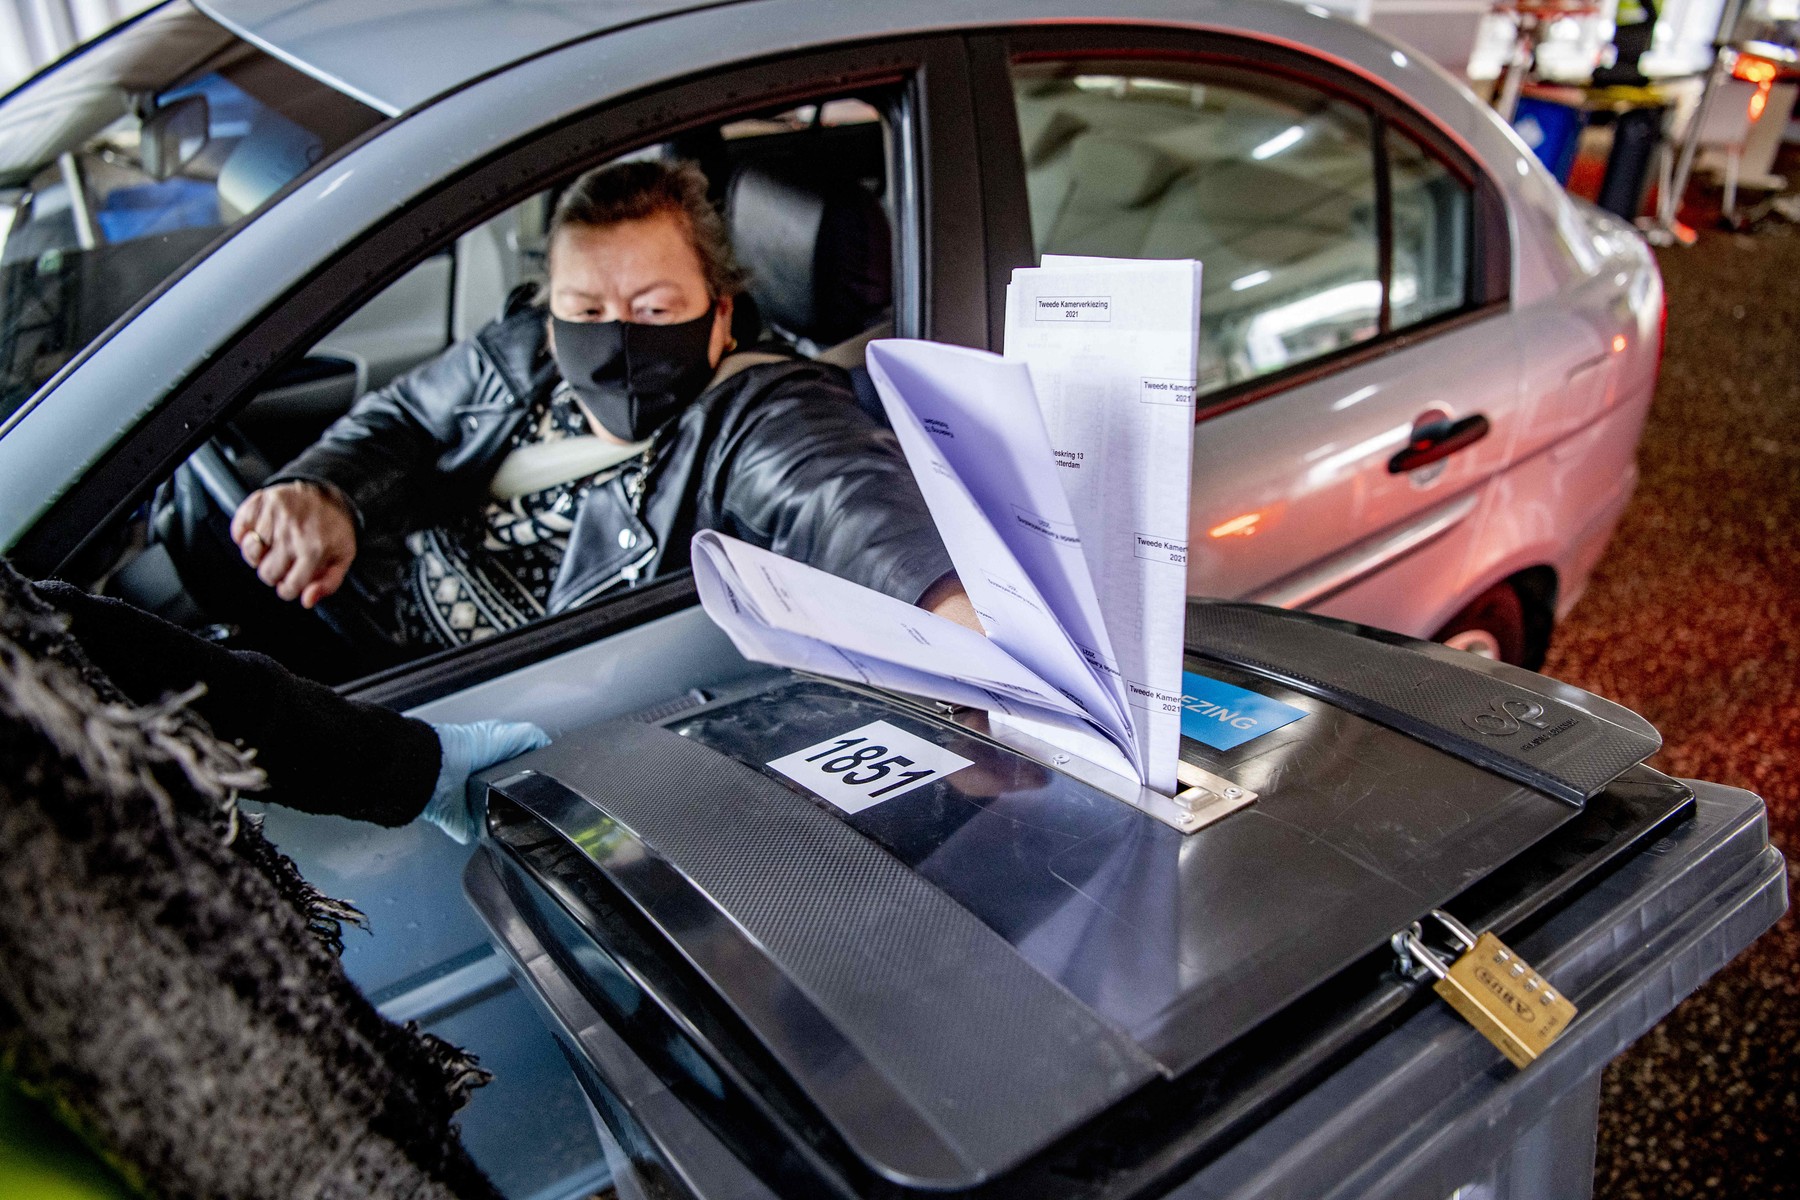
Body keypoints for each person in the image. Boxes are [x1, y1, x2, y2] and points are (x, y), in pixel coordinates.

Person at [231, 158, 974, 649]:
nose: (614, 336)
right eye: (585, 310)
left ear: (718, 318)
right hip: (357, 633)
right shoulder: (518, 353)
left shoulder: (757, 411)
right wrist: (324, 492)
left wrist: (948, 616)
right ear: (549, 318)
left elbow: (839, 498)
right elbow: (402, 420)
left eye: (653, 310)